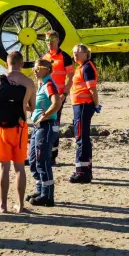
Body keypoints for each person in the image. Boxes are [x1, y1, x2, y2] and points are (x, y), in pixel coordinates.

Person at [0, 51, 34, 213]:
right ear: (21, 64)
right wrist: (21, 105)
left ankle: (3, 205)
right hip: (20, 127)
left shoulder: (0, 79)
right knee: (19, 168)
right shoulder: (29, 83)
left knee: (4, 167)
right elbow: (32, 107)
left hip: (2, 128)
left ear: (7, 63)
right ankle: (20, 206)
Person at [27, 58, 61, 207]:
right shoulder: (41, 85)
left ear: (47, 69)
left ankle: (48, 195)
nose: (35, 70)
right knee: (33, 160)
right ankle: (40, 190)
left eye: (38, 67)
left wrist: (45, 115)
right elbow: (37, 107)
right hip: (38, 127)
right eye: (34, 67)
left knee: (43, 161)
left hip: (46, 127)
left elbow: (57, 103)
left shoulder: (48, 84)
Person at [42, 32, 74, 168]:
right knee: (43, 124)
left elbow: (71, 77)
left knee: (54, 125)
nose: (50, 42)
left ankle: (53, 156)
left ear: (58, 40)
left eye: (52, 39)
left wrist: (65, 94)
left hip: (58, 97)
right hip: (44, 98)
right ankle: (43, 154)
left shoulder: (65, 57)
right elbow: (39, 77)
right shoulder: (44, 56)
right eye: (47, 40)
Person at [69, 44, 100, 184]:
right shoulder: (81, 67)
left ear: (86, 54)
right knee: (82, 138)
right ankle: (85, 170)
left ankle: (82, 173)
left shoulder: (87, 67)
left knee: (81, 138)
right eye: (74, 52)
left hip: (83, 106)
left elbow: (92, 89)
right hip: (80, 106)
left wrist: (95, 105)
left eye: (78, 52)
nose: (75, 54)